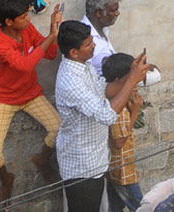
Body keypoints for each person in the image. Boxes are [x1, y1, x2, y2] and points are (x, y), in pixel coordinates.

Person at [54, 20, 149, 212]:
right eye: (89, 44)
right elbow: (106, 115)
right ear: (74, 52)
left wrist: (132, 73)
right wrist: (131, 80)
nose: (94, 45)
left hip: (96, 161)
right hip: (82, 167)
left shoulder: (83, 65)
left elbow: (104, 89)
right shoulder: (71, 81)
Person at [0, 0, 63, 205]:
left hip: (31, 95)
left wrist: (52, 34)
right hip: (5, 99)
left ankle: (42, 159)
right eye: (24, 16)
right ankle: (7, 179)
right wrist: (50, 36)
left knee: (60, 129)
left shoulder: (27, 29)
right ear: (9, 21)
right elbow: (25, 65)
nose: (28, 19)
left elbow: (50, 54)